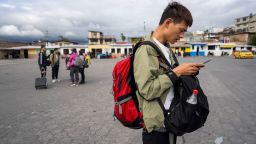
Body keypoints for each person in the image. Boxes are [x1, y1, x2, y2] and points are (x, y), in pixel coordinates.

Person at [133, 2, 204, 144]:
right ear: (168, 22)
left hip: (170, 121)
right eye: (181, 30)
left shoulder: (166, 48)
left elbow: (169, 78)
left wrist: (186, 71)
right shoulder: (146, 50)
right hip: (157, 128)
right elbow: (146, 90)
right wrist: (177, 72)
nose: (182, 36)